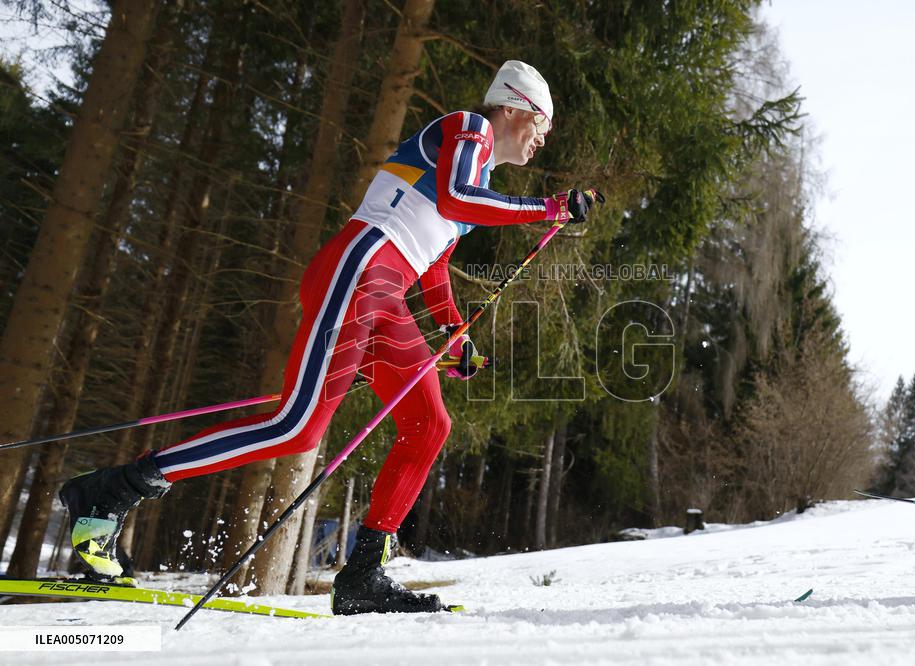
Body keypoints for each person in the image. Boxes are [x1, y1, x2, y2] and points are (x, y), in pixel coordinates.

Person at [58, 60, 601, 614]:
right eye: (543, 126)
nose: (541, 141)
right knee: (296, 427)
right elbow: (458, 197)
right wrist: (548, 208)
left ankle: (363, 574)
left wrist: (451, 333)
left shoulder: (481, 178)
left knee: (429, 423)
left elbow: (436, 263)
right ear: (513, 108)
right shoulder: (471, 129)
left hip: (385, 294)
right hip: (359, 267)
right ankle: (112, 491)